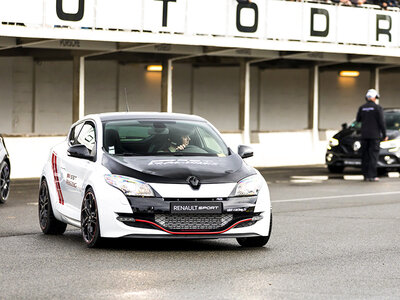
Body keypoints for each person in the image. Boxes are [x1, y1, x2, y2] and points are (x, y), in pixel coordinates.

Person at [356, 89, 388, 182]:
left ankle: (366, 175)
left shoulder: (362, 108)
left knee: (365, 156)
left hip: (364, 135)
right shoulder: (378, 108)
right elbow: (382, 122)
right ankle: (372, 176)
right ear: (374, 97)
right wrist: (384, 134)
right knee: (373, 156)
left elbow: (358, 120)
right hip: (374, 136)